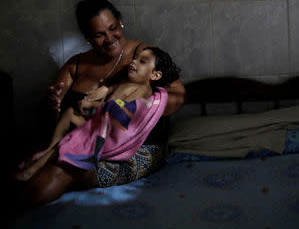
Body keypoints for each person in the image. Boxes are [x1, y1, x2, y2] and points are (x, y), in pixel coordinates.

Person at [10, 0, 186, 213]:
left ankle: (11, 210)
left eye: (113, 28)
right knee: (33, 160)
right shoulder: (75, 66)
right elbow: (48, 122)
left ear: (120, 21)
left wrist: (130, 112)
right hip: (84, 138)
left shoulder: (142, 55)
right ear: (87, 37)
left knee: (65, 165)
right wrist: (51, 106)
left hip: (134, 150)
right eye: (99, 34)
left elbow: (177, 95)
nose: (110, 38)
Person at [13, 46, 180, 181]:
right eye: (135, 58)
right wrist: (100, 93)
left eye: (142, 61)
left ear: (155, 75)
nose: (134, 62)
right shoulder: (124, 83)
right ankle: (49, 147)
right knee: (70, 112)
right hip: (100, 124)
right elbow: (108, 94)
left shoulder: (142, 88)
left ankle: (35, 167)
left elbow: (117, 108)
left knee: (70, 140)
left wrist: (90, 105)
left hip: (110, 135)